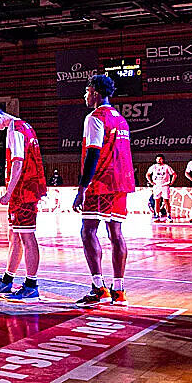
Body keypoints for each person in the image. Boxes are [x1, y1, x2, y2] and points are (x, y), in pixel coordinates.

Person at [71, 74, 135, 307]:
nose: (85, 95)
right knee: (116, 234)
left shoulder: (95, 117)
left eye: (87, 91)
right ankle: (119, 290)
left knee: (88, 231)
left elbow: (93, 153)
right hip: (122, 182)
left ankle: (99, 288)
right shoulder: (121, 119)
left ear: (95, 93)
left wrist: (82, 187)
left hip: (101, 183)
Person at [0, 103, 47, 301]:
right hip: (25, 189)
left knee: (27, 236)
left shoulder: (15, 129)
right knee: (15, 235)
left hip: (24, 191)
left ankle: (31, 286)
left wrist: (9, 193)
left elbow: (18, 163)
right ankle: (7, 280)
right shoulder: (24, 126)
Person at [146, 155, 176, 222]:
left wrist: (171, 182)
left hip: (165, 186)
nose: (159, 160)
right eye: (157, 159)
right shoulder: (153, 167)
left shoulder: (166, 167)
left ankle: (169, 215)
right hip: (157, 186)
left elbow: (174, 174)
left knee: (166, 201)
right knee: (157, 201)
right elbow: (147, 174)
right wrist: (151, 182)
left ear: (163, 160)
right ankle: (157, 215)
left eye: (160, 159)